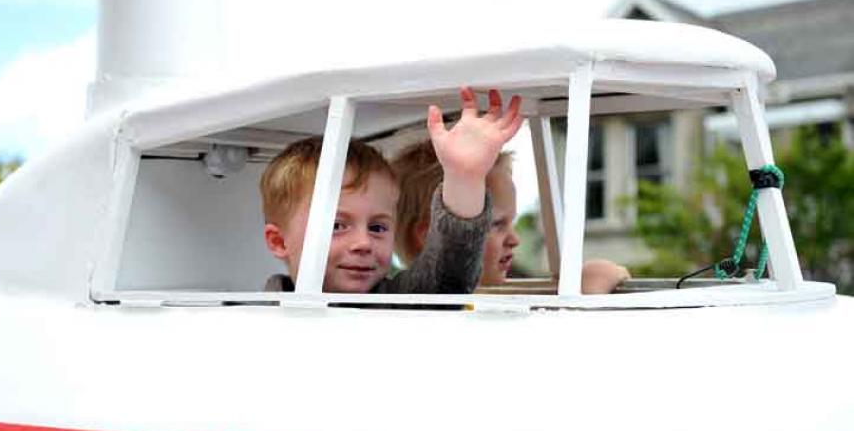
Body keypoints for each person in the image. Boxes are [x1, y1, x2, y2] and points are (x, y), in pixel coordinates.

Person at [260, 87, 524, 293]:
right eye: (337, 226)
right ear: (279, 241)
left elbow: (450, 273)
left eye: (378, 228)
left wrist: (464, 177)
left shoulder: (400, 301)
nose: (363, 244)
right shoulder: (250, 318)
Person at [392, 140, 631, 293]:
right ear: (433, 237)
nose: (514, 239)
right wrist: (587, 294)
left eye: (511, 222)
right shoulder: (433, 313)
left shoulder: (483, 301)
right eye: (496, 224)